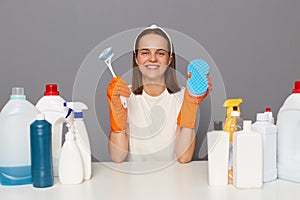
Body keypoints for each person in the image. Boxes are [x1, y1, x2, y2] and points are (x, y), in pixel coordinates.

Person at [107, 25, 211, 163]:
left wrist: (190, 105)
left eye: (160, 53)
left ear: (169, 60)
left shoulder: (185, 96)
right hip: (134, 180)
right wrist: (116, 111)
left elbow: (184, 157)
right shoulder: (123, 96)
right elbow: (117, 157)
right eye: (145, 53)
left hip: (175, 180)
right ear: (136, 58)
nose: (153, 59)